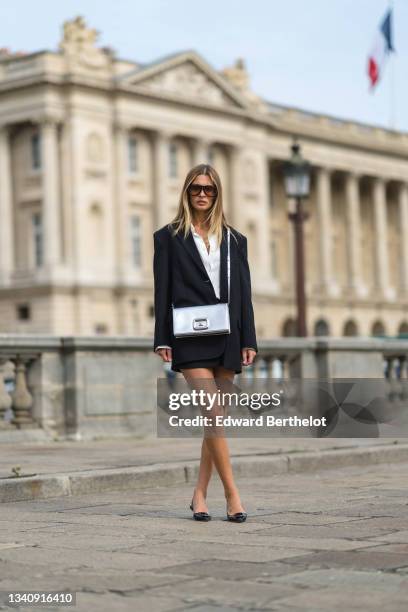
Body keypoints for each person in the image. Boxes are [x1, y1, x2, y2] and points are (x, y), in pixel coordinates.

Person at [153, 163, 258, 523]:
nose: (202, 194)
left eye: (209, 189)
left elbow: (244, 294)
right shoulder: (168, 237)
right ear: (187, 192)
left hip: (229, 336)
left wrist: (250, 339)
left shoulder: (235, 240)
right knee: (213, 415)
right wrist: (162, 338)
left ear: (217, 194)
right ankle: (233, 495)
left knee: (216, 421)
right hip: (190, 335)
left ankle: (199, 493)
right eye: (196, 188)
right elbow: (162, 289)